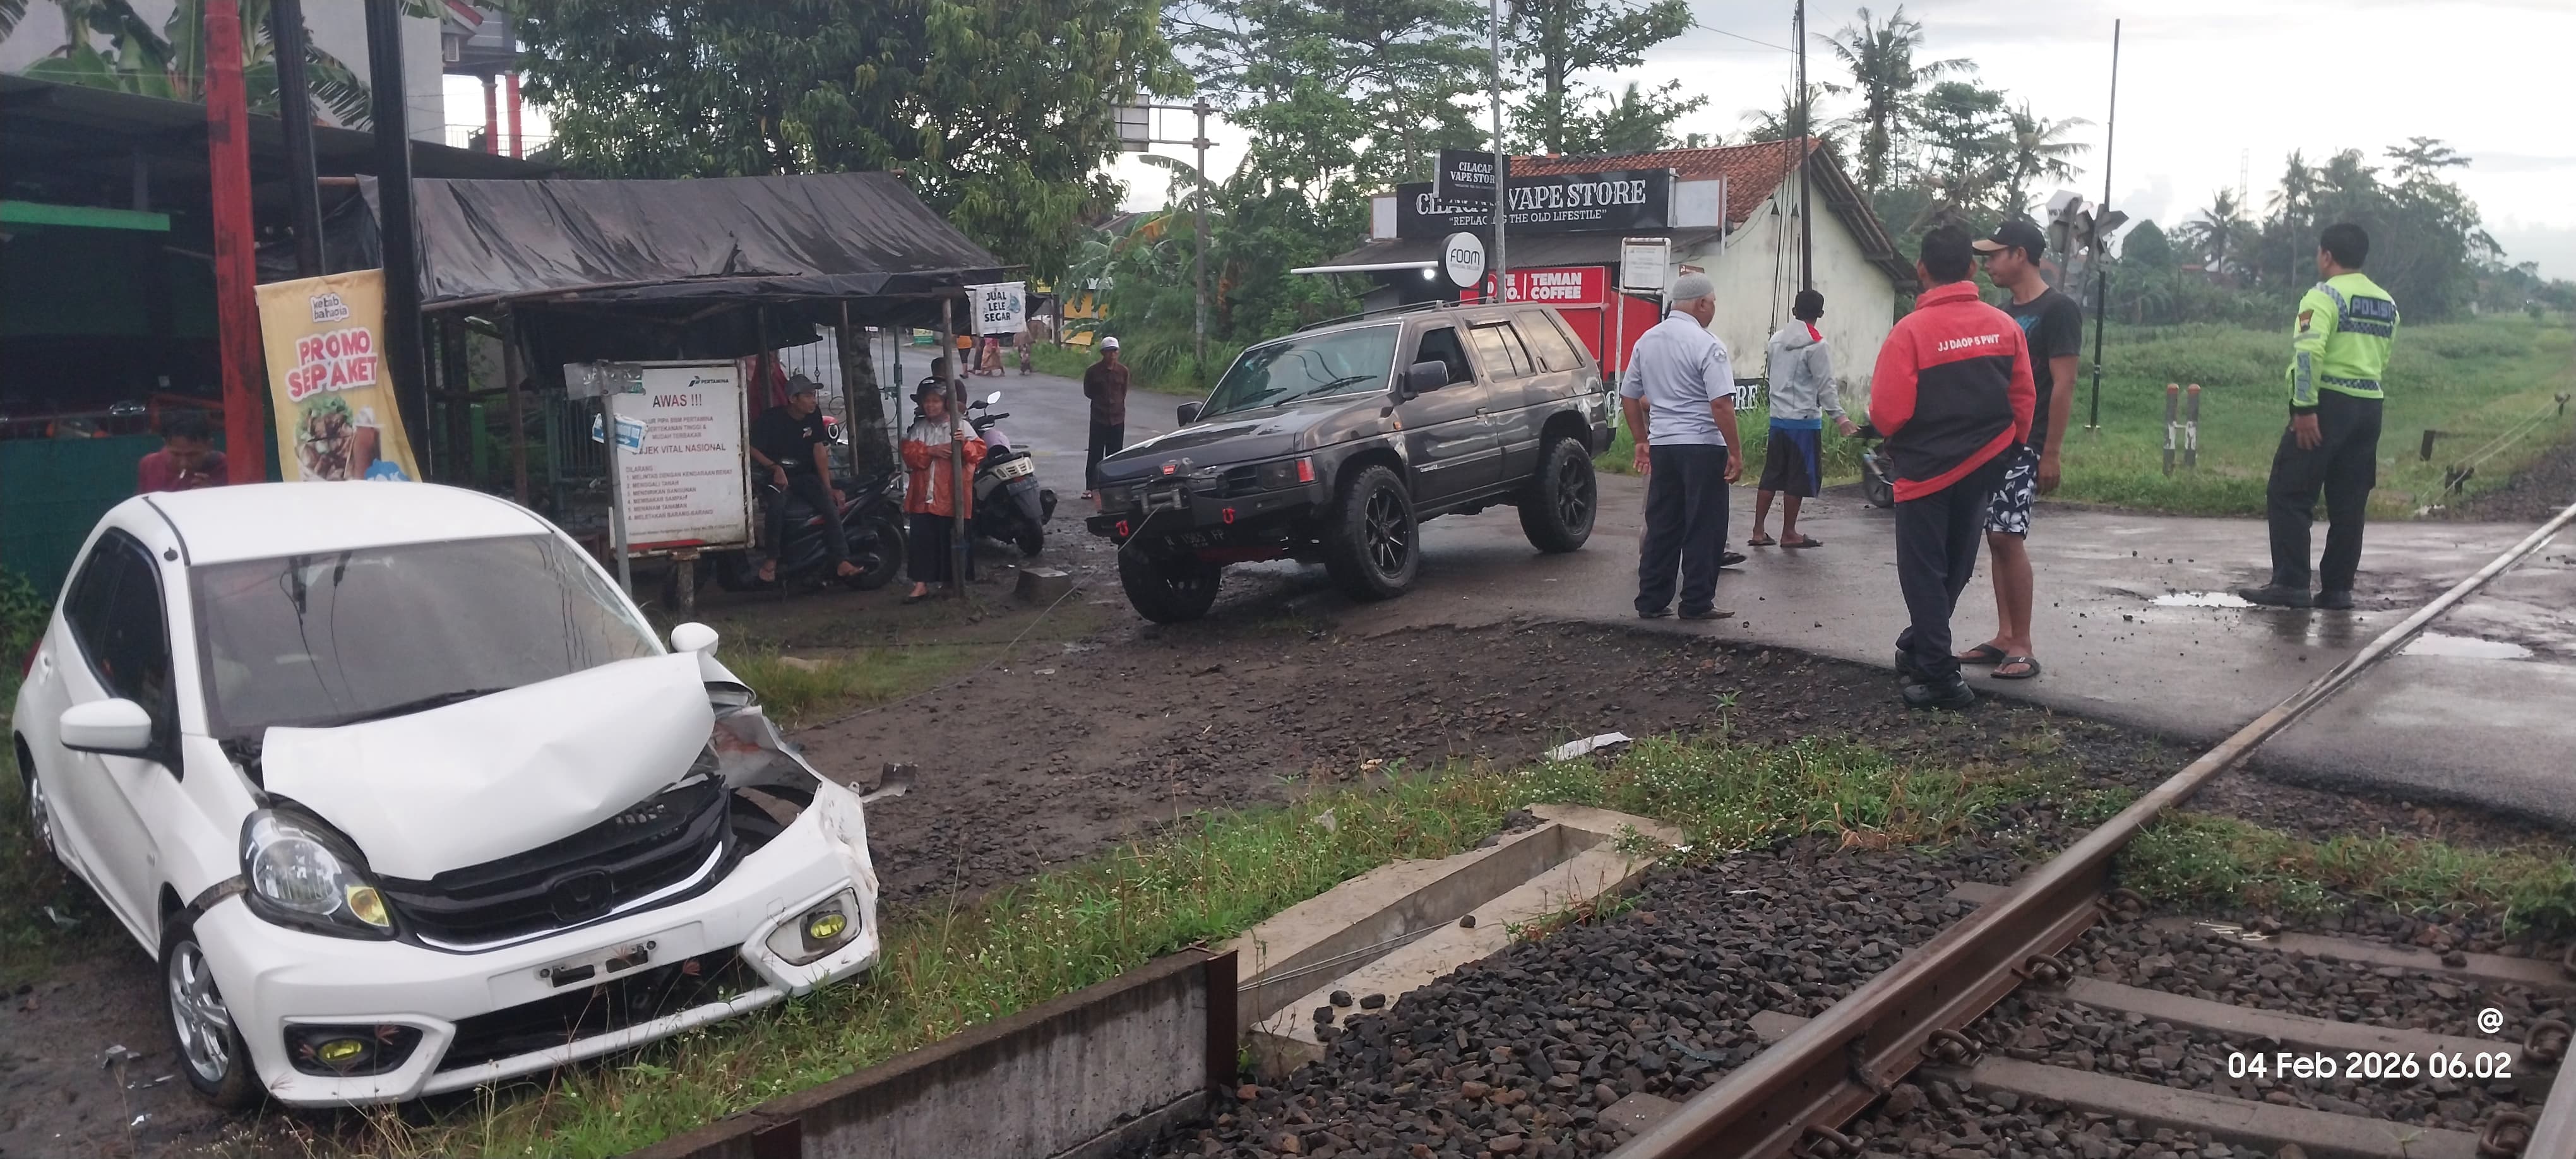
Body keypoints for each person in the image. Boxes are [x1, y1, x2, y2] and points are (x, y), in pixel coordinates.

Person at [1869, 225, 2035, 710]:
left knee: (1923, 571)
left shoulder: (1909, 334)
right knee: (1957, 564)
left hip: (1925, 472)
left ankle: (1942, 678)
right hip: (1985, 465)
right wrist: (2009, 448)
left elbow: (1888, 413)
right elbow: (2024, 398)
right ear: (1969, 269)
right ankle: (1922, 644)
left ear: (1922, 270)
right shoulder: (2006, 328)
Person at [2236, 222, 2399, 612]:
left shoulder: (2323, 296)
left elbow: (2309, 353)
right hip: (2369, 406)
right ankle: (2338, 590)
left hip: (2327, 404)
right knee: (2349, 503)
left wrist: (2305, 409)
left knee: (2289, 491)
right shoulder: (2386, 303)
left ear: (2327, 255)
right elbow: (2384, 357)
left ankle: (2291, 583)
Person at [1957, 219, 2086, 681]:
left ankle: (2023, 644)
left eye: (1995, 255)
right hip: (1994, 442)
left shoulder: (2059, 310)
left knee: (2008, 536)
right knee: (1995, 536)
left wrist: (2051, 452)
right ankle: (2004, 635)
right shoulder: (2001, 311)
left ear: (2021, 254)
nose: (1988, 263)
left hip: (2028, 443)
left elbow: (2065, 382)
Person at [1622, 272, 1744, 621]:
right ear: (1702, 303)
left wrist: (1641, 441)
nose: (1714, 310)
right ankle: (1696, 602)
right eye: (1713, 303)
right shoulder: (1707, 344)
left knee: (1663, 523)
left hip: (1663, 446)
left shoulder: (1647, 340)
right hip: (1703, 446)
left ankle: (1651, 600)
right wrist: (1735, 452)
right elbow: (1721, 404)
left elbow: (1629, 395)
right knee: (1705, 525)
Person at [1748, 289, 1856, 549]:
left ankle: (1759, 531)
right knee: (1797, 477)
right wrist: (1840, 418)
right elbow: (1825, 385)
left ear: (1794, 311)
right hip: (1804, 421)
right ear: (1820, 314)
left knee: (1771, 474)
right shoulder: (1817, 345)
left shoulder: (1775, 341)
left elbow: (1773, 375)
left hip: (1778, 419)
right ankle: (1789, 533)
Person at [746, 374, 858, 585]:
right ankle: (771, 560)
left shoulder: (814, 415)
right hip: (778, 477)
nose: (814, 400)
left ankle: (842, 560)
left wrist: (829, 487)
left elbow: (819, 450)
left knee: (828, 505)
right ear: (792, 399)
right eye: (808, 396)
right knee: (776, 507)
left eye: (814, 395)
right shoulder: (771, 419)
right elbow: (751, 447)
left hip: (805, 476)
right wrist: (774, 467)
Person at [900, 382, 987, 603]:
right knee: (922, 540)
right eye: (927, 402)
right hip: (924, 496)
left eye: (935, 401)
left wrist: (963, 446)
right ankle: (921, 585)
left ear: (945, 404)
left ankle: (951, 583)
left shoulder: (961, 427)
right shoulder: (920, 429)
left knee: (950, 538)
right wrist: (932, 450)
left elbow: (977, 453)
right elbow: (910, 455)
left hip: (951, 494)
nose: (930, 406)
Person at [1082, 336, 1130, 501]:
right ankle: (1091, 487)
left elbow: (1123, 391)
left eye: (1115, 351)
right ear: (1103, 353)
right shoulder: (1093, 371)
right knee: (1095, 453)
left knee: (1115, 453)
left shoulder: (1123, 371)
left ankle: (1113, 486)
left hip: (1117, 417)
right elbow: (1088, 392)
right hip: (1099, 417)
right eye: (1109, 352)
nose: (1112, 355)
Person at [136, 411, 227, 493]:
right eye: (176, 454)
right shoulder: (150, 465)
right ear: (166, 445)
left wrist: (214, 495)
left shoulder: (225, 467)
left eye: (192, 455)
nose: (184, 464)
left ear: (209, 446)